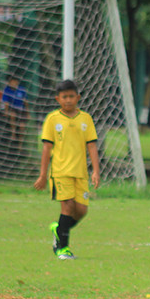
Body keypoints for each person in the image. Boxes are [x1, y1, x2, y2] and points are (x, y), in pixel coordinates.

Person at [33, 79, 100, 260]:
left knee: (81, 211)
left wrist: (95, 171)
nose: (68, 100)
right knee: (68, 206)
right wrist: (42, 175)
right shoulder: (53, 119)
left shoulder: (85, 118)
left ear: (77, 97)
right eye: (64, 97)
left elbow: (92, 146)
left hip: (80, 173)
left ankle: (58, 229)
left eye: (71, 96)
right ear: (58, 99)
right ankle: (63, 249)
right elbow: (46, 148)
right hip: (60, 172)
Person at [1, 75, 27, 140]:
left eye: (15, 82)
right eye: (11, 82)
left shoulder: (21, 90)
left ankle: (20, 145)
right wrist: (6, 111)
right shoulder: (7, 90)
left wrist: (27, 113)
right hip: (13, 109)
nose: (13, 83)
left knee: (22, 126)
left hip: (21, 110)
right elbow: (6, 103)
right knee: (13, 115)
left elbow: (26, 102)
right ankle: (13, 133)